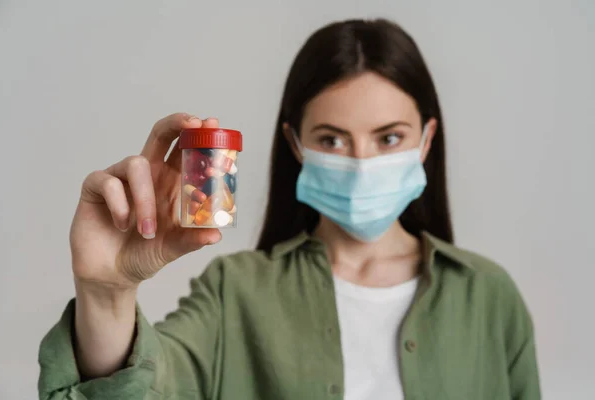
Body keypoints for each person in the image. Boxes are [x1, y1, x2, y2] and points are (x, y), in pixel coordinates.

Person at [38, 18, 541, 400]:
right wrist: (106, 292)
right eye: (332, 139)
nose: (363, 164)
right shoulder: (234, 293)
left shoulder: (491, 299)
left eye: (389, 137)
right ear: (296, 144)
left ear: (427, 139)